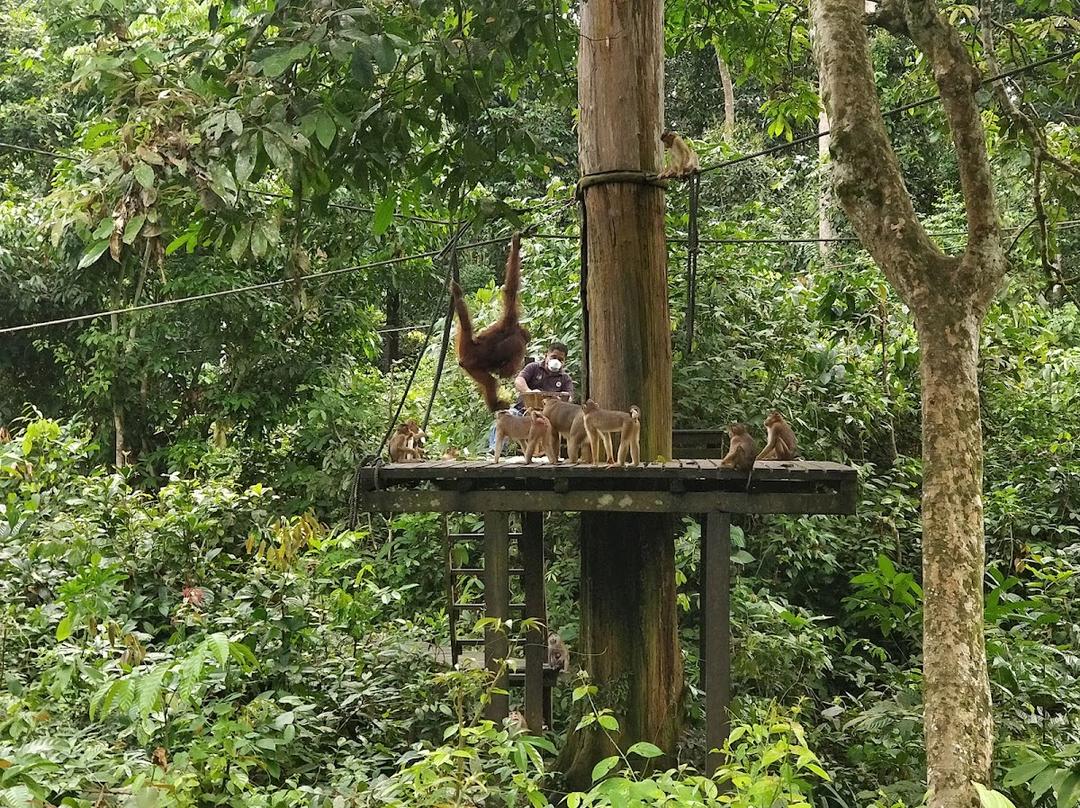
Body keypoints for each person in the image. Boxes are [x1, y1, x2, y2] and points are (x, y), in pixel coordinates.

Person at [487, 342, 575, 454]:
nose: (556, 361)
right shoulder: (533, 368)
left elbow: (570, 397)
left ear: (564, 362)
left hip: (548, 417)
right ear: (546, 355)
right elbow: (519, 381)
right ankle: (495, 449)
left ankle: (553, 455)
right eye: (553, 357)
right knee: (504, 417)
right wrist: (529, 392)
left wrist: (561, 398)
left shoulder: (565, 378)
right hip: (523, 412)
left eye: (560, 359)